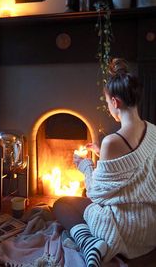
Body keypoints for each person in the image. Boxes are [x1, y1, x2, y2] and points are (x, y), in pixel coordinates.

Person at [53, 58, 156, 267]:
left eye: (107, 102)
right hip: (148, 229)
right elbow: (136, 171)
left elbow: (96, 194)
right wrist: (102, 155)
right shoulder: (153, 131)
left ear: (115, 102)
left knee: (61, 204)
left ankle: (89, 243)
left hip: (122, 230)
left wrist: (85, 166)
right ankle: (91, 242)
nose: (109, 107)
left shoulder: (112, 141)